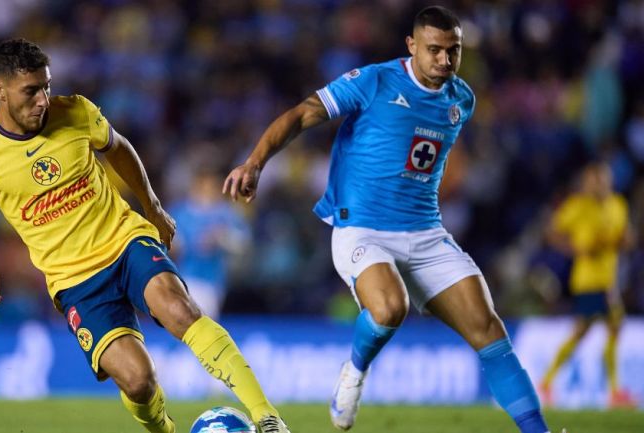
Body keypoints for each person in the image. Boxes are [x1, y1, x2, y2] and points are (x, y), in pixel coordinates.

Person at [224, 6, 556, 433]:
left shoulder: (461, 99)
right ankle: (355, 371)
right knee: (389, 308)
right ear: (412, 46)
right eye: (434, 50)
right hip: (361, 227)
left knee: (489, 330)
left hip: (425, 232)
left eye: (453, 51)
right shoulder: (374, 80)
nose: (444, 60)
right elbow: (304, 113)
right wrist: (255, 163)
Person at [0, 38, 289, 433]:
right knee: (138, 380)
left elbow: (119, 148)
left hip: (124, 240)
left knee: (179, 309)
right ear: (0, 90)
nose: (43, 99)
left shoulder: (75, 111)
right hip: (74, 281)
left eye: (46, 86)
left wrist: (152, 206)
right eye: (31, 91)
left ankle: (267, 418)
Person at [540, 161, 636, 408]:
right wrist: (574, 249)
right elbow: (551, 231)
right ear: (586, 182)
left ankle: (547, 383)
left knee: (590, 330)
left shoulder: (618, 205)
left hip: (609, 278)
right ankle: (614, 392)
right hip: (588, 280)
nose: (598, 184)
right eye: (594, 180)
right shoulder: (578, 206)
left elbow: (625, 238)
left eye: (602, 179)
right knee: (609, 325)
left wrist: (626, 241)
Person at [169, 166, 250, 319]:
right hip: (187, 277)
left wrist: (222, 238)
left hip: (215, 280)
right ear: (197, 186)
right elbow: (168, 244)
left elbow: (242, 244)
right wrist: (178, 246)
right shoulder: (180, 213)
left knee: (206, 324)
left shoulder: (225, 212)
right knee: (194, 324)